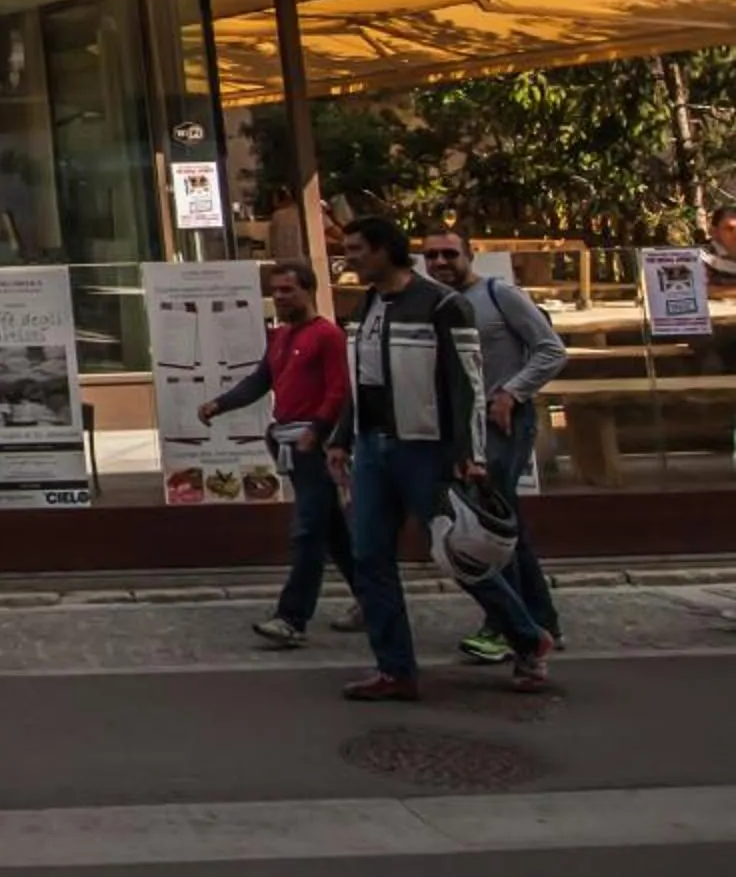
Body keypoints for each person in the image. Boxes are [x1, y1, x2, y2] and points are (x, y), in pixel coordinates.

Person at [328, 219, 552, 701]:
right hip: (373, 447)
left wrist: (469, 454)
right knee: (368, 556)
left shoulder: (442, 305)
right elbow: (360, 379)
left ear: (386, 251)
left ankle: (527, 636)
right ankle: (395, 669)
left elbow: (467, 383)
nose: (349, 258)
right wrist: (342, 437)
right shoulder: (366, 303)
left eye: (357, 249)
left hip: (424, 448)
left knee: (459, 554)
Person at [419, 234, 567, 664]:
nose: (441, 261)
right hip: (461, 429)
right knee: (506, 528)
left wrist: (512, 393)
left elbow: (550, 351)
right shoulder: (437, 305)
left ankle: (507, 627)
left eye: (449, 254)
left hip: (502, 424)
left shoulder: (500, 296)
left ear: (469, 256)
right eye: (431, 255)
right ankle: (540, 621)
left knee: (491, 528)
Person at [197, 258, 354, 648]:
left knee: (308, 531)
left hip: (311, 445)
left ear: (308, 289)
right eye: (276, 291)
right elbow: (260, 380)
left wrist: (318, 431)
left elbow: (339, 390)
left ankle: (292, 617)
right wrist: (220, 404)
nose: (280, 297)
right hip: (287, 440)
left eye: (288, 290)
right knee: (332, 531)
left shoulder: (327, 336)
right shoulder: (282, 337)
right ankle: (373, 598)